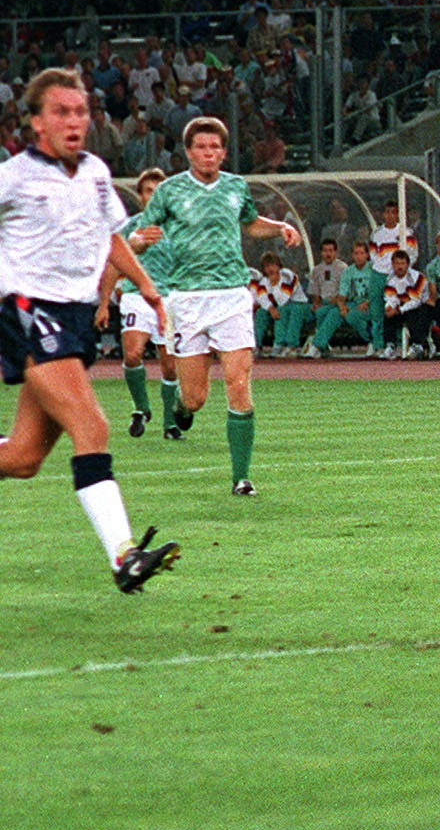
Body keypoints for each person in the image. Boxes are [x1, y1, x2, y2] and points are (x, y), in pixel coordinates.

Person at [0, 68, 178, 592]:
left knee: (25, 458)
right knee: (92, 425)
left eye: (80, 111)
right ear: (35, 122)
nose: (74, 121)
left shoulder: (97, 172)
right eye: (61, 111)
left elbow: (110, 238)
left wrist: (145, 285)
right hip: (28, 309)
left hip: (74, 319)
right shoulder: (14, 177)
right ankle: (124, 557)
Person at [135, 116, 300, 496]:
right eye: (200, 147)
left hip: (231, 295)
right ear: (189, 152)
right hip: (187, 298)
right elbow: (140, 236)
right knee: (195, 397)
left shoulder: (235, 186)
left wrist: (279, 227)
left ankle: (241, 478)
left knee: (238, 384)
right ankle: (180, 405)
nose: (208, 153)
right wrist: (142, 240)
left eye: (215, 147)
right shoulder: (170, 192)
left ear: (224, 153)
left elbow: (250, 222)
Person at [99, 167, 178, 439]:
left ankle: (170, 423)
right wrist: (102, 305)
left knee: (169, 365)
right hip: (136, 296)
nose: (153, 196)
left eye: (158, 192)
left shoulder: (178, 227)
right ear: (141, 196)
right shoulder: (132, 226)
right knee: (132, 354)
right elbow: (114, 264)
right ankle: (142, 408)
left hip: (169, 299)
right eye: (148, 191)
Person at [250, 252, 312, 356]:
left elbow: (283, 300)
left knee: (283, 310)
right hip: (277, 307)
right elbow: (261, 298)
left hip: (299, 305)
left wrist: (274, 285)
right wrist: (270, 309)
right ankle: (256, 345)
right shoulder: (263, 281)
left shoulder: (287, 276)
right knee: (261, 312)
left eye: (273, 265)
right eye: (267, 266)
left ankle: (286, 345)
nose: (270, 269)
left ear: (278, 266)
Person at [378, 249, 428, 359]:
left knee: (415, 313)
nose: (400, 267)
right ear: (392, 264)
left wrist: (399, 310)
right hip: (402, 307)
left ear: (408, 264)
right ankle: (390, 346)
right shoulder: (390, 280)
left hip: (420, 308)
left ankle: (417, 345)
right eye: (397, 263)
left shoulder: (417, 278)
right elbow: (390, 298)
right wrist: (389, 308)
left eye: (402, 263)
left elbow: (416, 301)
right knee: (388, 316)